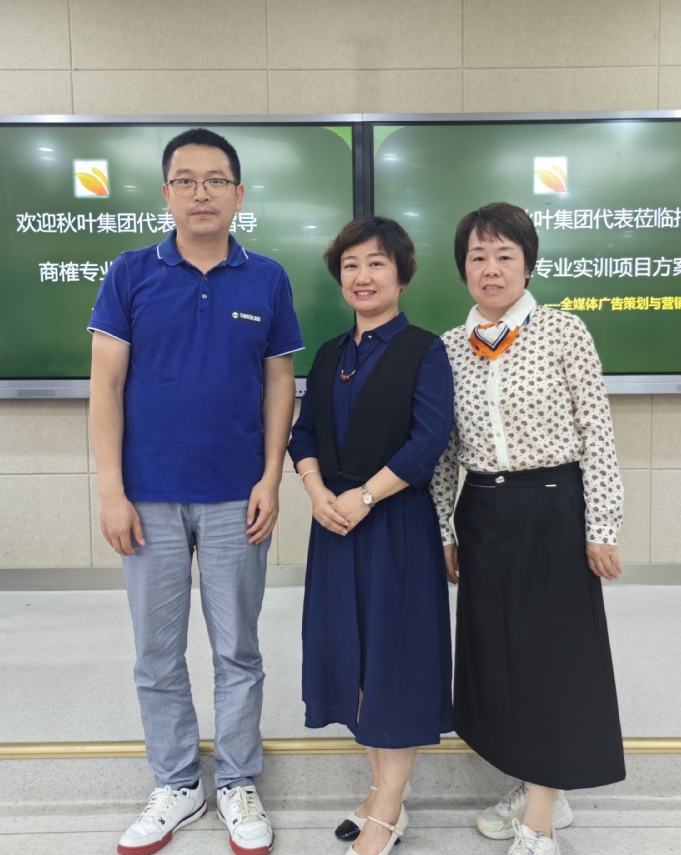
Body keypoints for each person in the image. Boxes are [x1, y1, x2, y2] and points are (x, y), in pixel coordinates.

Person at [89, 128, 302, 855]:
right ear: (166, 193)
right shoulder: (130, 273)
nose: (200, 193)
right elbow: (105, 385)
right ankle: (178, 781)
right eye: (186, 180)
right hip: (146, 496)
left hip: (237, 495)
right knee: (156, 651)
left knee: (238, 647)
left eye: (215, 181)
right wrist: (111, 491)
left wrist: (271, 477)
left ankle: (237, 779)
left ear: (239, 195)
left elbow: (279, 383)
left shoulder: (267, 277)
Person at [429, 203, 626, 855]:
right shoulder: (449, 348)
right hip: (483, 513)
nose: (491, 269)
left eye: (504, 255)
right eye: (478, 257)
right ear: (463, 268)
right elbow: (444, 453)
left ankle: (539, 819)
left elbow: (597, 431)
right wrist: (445, 529)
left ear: (527, 264)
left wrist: (602, 524)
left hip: (551, 507)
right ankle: (539, 784)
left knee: (551, 658)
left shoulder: (564, 331)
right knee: (501, 658)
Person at [288, 217, 455, 855]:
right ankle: (381, 790)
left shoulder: (425, 351)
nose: (362, 276)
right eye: (351, 264)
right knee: (352, 658)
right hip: (334, 524)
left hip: (395, 525)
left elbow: (427, 442)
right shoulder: (331, 353)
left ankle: (387, 807)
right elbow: (305, 434)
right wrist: (317, 494)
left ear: (402, 277)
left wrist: (364, 497)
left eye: (377, 263)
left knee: (394, 663)